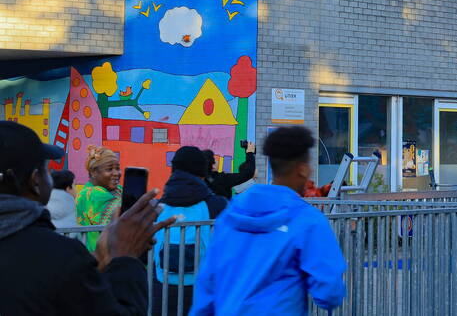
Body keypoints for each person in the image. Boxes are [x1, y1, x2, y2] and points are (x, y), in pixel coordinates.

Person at [0, 120, 175, 316]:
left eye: (117, 168)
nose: (116, 173)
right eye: (47, 170)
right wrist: (126, 257)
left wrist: (99, 258)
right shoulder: (58, 256)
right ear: (35, 180)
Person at [191, 126, 347, 314]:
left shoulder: (229, 216)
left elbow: (206, 286)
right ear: (303, 169)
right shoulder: (308, 221)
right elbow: (330, 292)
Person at [151, 146, 228, 316]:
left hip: (161, 289)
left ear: (173, 170)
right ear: (202, 173)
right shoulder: (216, 205)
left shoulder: (156, 207)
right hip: (201, 292)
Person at [76, 145, 123, 251]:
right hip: (102, 257)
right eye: (109, 169)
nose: (116, 173)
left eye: (118, 168)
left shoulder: (117, 189)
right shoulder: (91, 193)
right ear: (93, 172)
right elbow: (123, 216)